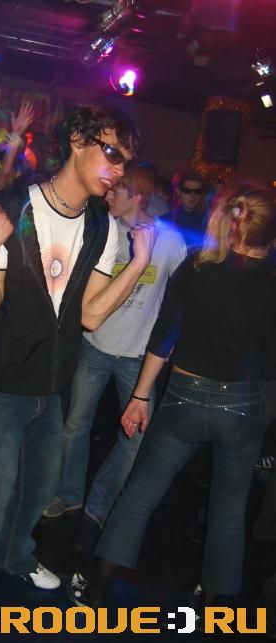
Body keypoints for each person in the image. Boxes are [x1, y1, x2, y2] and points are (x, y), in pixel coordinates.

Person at [0, 105, 158, 599]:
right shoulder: (13, 209)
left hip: (51, 384)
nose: (118, 169)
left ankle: (14, 557)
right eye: (112, 153)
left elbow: (91, 315)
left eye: (124, 160)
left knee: (36, 492)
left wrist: (138, 263)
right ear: (78, 141)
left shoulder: (101, 226)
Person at [69, 184, 276, 614]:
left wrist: (140, 395)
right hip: (243, 406)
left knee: (141, 493)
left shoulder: (197, 268)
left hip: (185, 397)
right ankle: (212, 610)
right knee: (229, 509)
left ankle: (96, 592)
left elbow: (164, 337)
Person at [43, 166, 186, 526]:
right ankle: (68, 495)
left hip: (138, 358)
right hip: (94, 347)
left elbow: (181, 300)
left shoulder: (170, 241)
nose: (107, 196)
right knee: (75, 425)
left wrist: (171, 344)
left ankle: (101, 502)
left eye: (115, 191)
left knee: (136, 438)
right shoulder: (103, 230)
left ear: (136, 196)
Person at [160, 169, 207, 254]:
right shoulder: (165, 221)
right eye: (187, 191)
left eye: (197, 191)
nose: (192, 195)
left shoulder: (205, 221)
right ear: (178, 192)